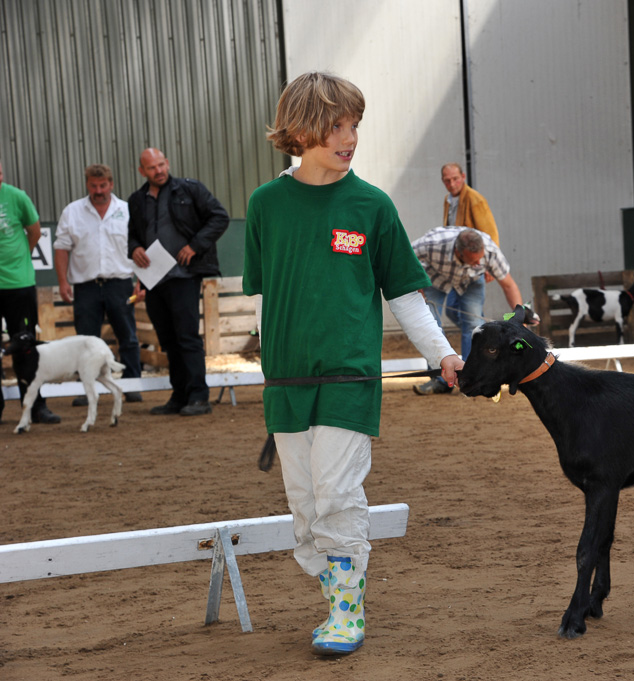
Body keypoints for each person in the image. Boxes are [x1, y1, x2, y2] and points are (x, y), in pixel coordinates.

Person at [244, 72, 462, 656]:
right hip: (286, 383)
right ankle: (336, 587)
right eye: (337, 126)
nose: (350, 137)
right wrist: (266, 364)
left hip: (349, 378)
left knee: (337, 493)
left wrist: (441, 353)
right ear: (299, 130)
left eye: (354, 125)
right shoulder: (265, 205)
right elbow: (264, 297)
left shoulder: (372, 205)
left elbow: (406, 298)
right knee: (305, 506)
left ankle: (347, 611)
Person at [127, 148, 229, 416]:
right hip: (154, 279)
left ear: (167, 163)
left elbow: (220, 216)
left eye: (161, 165)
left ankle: (198, 396)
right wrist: (134, 247)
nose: (158, 171)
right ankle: (179, 395)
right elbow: (133, 235)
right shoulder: (136, 200)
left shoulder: (190, 189)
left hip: (184, 275)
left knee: (187, 337)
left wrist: (195, 245)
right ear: (142, 171)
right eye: (151, 168)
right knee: (168, 340)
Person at [54, 164, 142, 405]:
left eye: (103, 185)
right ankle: (87, 388)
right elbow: (61, 247)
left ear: (111, 184)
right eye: (93, 185)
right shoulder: (73, 211)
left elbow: (139, 247)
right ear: (87, 185)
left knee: (128, 336)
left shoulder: (127, 210)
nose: (98, 190)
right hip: (86, 286)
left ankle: (132, 384)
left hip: (121, 283)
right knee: (85, 340)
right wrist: (63, 281)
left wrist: (140, 281)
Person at [411, 226, 525, 395]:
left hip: (472, 280)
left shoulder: (491, 252)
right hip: (435, 277)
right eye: (473, 260)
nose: (479, 263)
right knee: (431, 325)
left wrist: (520, 318)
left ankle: (470, 378)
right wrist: (416, 283)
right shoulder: (433, 245)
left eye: (481, 259)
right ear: (458, 252)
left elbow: (509, 285)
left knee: (473, 325)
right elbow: (405, 256)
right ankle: (439, 380)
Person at [0, 159, 60, 425]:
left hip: (19, 284)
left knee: (25, 345)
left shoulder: (16, 197)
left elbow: (34, 232)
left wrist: (18, 259)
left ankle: (36, 405)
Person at [441, 162, 499, 245]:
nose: (452, 184)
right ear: (442, 180)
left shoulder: (475, 199)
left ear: (463, 177)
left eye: (455, 179)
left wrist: (490, 255)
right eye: (447, 180)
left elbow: (490, 233)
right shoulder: (448, 199)